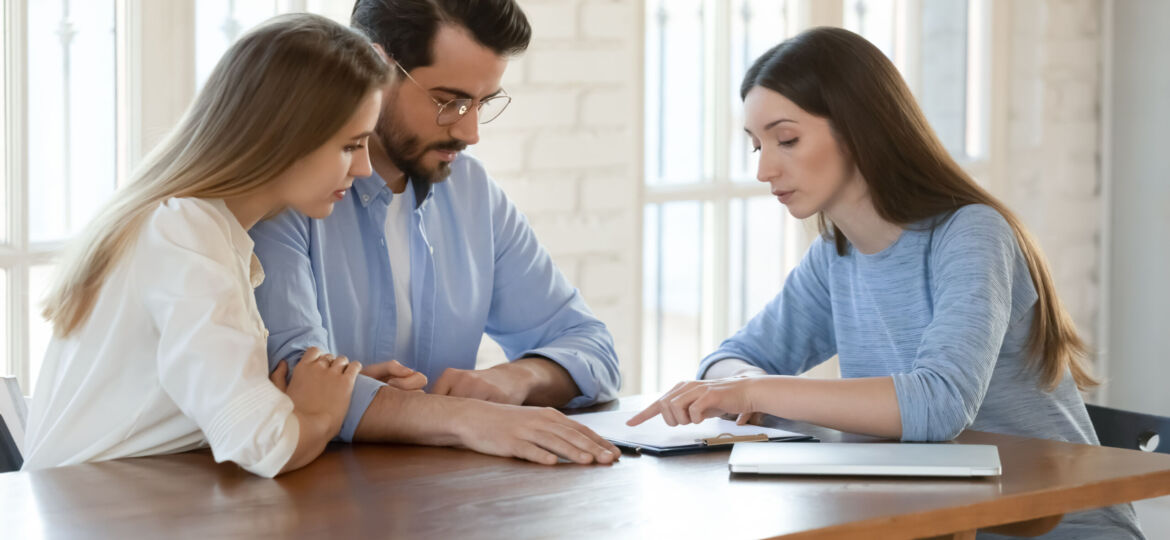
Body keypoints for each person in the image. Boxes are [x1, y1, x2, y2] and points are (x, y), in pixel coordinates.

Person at [629, 27, 1143, 538]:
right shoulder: (835, 256)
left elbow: (940, 404)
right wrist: (741, 387)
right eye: (756, 145)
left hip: (1057, 526)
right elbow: (728, 360)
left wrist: (754, 391)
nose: (764, 169)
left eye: (786, 139)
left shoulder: (970, 233)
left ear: (857, 129)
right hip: (931, 522)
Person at [249, 0, 620, 466]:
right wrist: (462, 418)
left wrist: (512, 380)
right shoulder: (288, 195)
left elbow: (591, 346)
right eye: (450, 101)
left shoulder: (471, 191)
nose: (470, 131)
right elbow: (290, 378)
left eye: (482, 103)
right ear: (373, 66)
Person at [22, 13, 389, 478]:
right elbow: (264, 443)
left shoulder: (201, 228)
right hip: (98, 510)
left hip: (132, 499)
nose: (365, 170)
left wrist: (305, 398)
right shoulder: (184, 233)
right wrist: (321, 416)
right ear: (285, 134)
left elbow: (232, 418)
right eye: (351, 146)